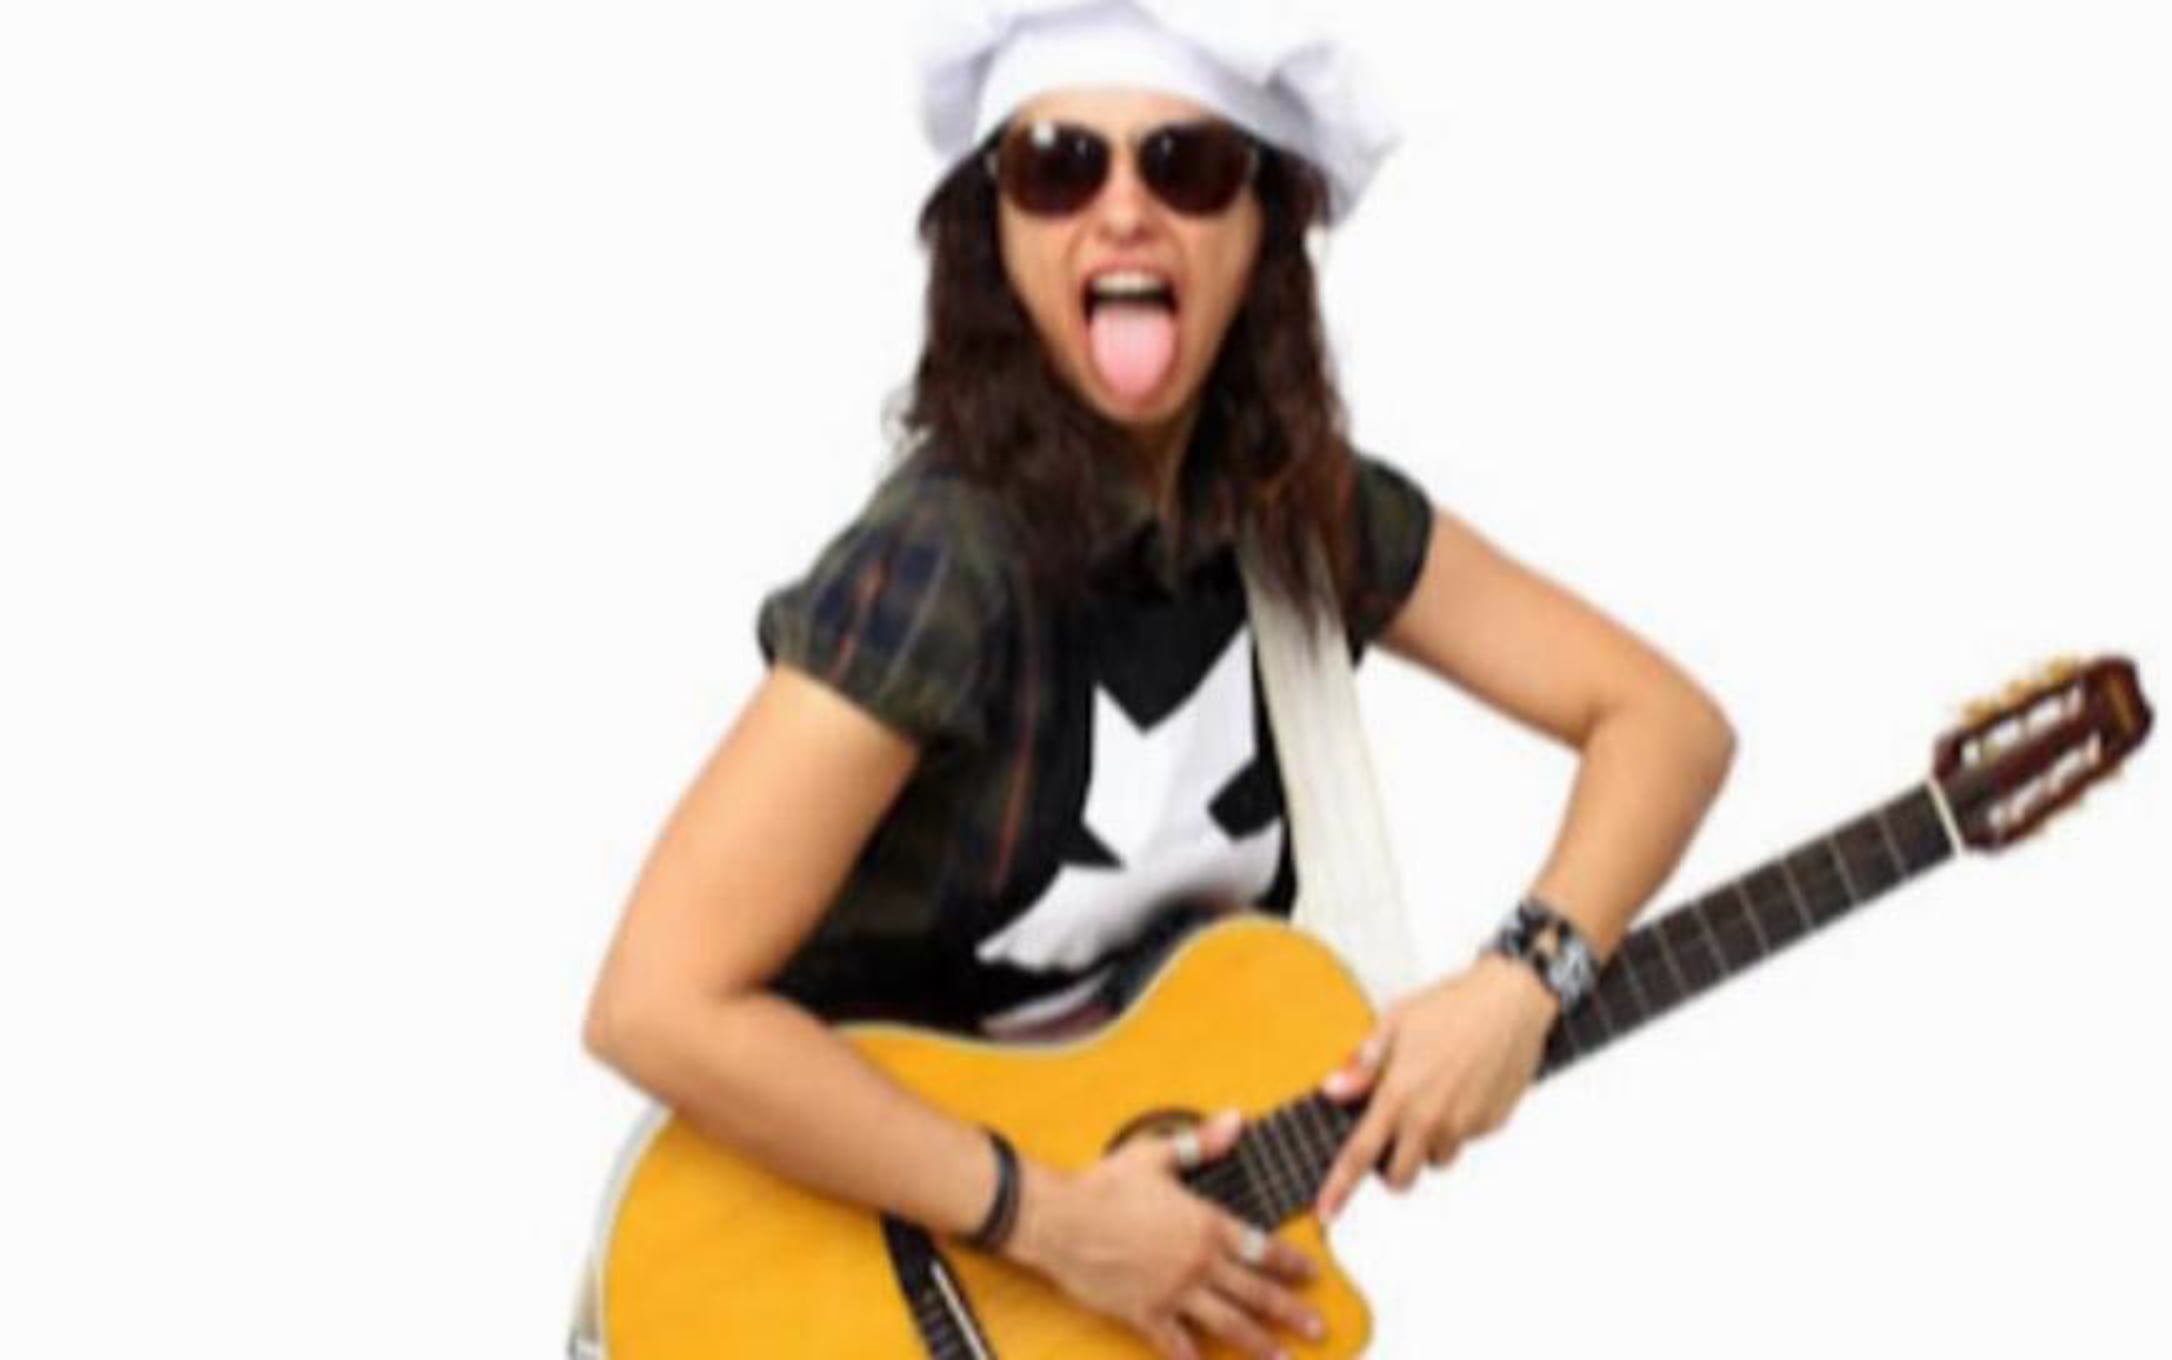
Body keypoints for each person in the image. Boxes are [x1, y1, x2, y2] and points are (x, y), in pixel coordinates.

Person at [581, 3, 1736, 1356]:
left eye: (1187, 165)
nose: (1123, 210)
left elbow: (1663, 723)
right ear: (996, 231)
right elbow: (656, 1000)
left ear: (1262, 229)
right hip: (842, 1279)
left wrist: (1524, 982)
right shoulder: (946, 564)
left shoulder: (1302, 524)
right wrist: (1051, 1220)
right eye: (1060, 165)